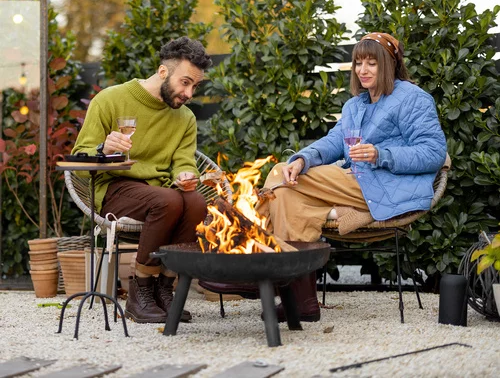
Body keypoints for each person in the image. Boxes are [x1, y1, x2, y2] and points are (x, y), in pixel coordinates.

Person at [201, 32, 447, 323]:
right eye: (358, 63)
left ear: (390, 65)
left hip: (389, 185)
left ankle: (256, 266)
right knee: (287, 196)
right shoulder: (355, 105)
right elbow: (333, 142)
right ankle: (302, 301)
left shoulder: (413, 99)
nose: (363, 70)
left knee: (279, 174)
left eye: (372, 63)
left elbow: (434, 152)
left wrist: (381, 154)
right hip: (355, 182)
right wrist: (303, 159)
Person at [72, 36, 212, 324]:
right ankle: (141, 291)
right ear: (163, 72)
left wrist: (186, 174)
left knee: (196, 202)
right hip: (114, 188)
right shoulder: (110, 100)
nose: (189, 93)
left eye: (195, 86)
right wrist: (103, 149)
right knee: (168, 201)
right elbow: (79, 162)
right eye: (185, 82)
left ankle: (164, 289)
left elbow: (184, 160)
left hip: (160, 193)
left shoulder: (184, 118)